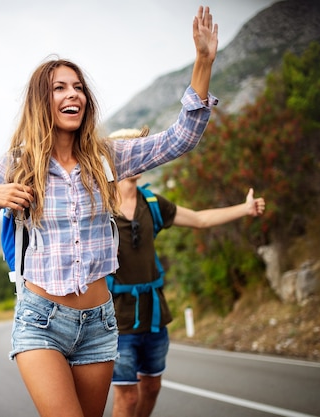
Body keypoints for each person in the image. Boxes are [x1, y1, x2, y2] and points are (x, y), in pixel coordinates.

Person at [0, 6, 219, 417]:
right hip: (40, 321)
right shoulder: (17, 162)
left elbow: (181, 139)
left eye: (78, 87)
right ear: (41, 100)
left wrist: (203, 63)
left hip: (99, 322)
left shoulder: (107, 158)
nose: (72, 95)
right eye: (60, 88)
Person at [107, 128, 266, 417]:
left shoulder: (152, 203)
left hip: (155, 316)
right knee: (127, 398)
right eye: (131, 150)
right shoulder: (98, 208)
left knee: (152, 388)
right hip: (117, 322)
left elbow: (200, 219)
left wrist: (244, 209)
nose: (139, 155)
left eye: (141, 149)